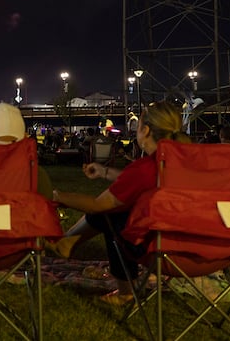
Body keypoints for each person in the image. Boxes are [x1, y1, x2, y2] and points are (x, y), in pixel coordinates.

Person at [50, 100, 191, 306]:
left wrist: (57, 196)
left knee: (115, 215)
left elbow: (98, 205)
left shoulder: (145, 168)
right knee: (121, 210)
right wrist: (105, 171)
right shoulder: (183, 162)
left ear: (146, 130)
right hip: (195, 245)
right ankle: (67, 243)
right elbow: (136, 181)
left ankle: (125, 292)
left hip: (161, 249)